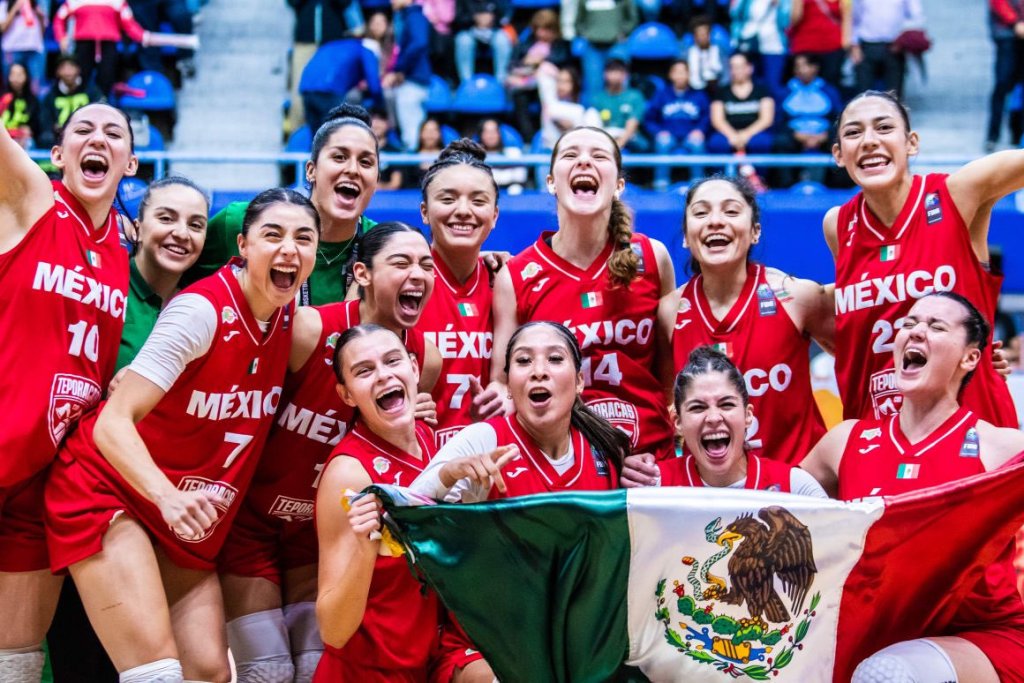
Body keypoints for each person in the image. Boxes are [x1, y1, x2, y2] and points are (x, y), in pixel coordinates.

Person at [43, 189, 318, 682]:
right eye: (272, 235)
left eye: (303, 238)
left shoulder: (292, 324)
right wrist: (166, 497)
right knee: (158, 673)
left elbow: (370, 332)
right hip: (110, 490)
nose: (288, 249)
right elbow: (113, 422)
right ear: (242, 245)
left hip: (181, 515)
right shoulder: (200, 312)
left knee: (209, 672)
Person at [218, 221, 440, 683]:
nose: (416, 273)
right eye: (401, 262)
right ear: (361, 273)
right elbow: (235, 394)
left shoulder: (425, 356)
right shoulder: (309, 328)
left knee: (315, 665)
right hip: (254, 523)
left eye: (425, 263)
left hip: (322, 534)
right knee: (267, 672)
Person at [801, 292, 1024, 682]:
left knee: (886, 674)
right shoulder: (846, 442)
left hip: (978, 638)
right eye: (909, 323)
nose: (916, 331)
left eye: (936, 327)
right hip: (874, 633)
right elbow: (764, 502)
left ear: (970, 358)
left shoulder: (998, 447)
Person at [46, 175, 210, 683]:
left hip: (158, 511)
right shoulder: (102, 289)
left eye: (196, 223)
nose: (181, 232)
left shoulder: (201, 309)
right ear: (135, 227)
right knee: (77, 656)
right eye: (166, 218)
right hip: (85, 499)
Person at [0, 101, 137, 683]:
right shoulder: (34, 201)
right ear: (57, 155)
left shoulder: (120, 255)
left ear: (129, 163)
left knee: (18, 661)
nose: (98, 139)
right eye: (82, 130)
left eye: (114, 133)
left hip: (44, 474)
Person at [824, 90, 1020, 427]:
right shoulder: (838, 225)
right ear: (839, 155)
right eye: (854, 132)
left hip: (971, 432)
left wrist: (980, 351)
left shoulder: (957, 195)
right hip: (877, 436)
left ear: (912, 143)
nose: (869, 141)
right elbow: (858, 334)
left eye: (884, 128)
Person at [492, 126, 677, 461]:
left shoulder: (652, 258)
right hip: (562, 464)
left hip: (652, 460)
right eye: (571, 155)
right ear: (551, 182)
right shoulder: (518, 275)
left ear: (619, 185)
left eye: (599, 156)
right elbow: (504, 386)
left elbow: (669, 379)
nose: (584, 162)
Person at [313, 323, 486, 681]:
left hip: (434, 658)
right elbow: (333, 631)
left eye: (392, 361)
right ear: (346, 395)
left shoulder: (433, 442)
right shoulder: (349, 475)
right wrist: (365, 548)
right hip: (370, 671)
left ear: (414, 368)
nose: (382, 375)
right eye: (364, 371)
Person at [659, 175, 831, 466]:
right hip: (712, 495)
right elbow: (664, 404)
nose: (715, 221)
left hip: (796, 491)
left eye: (731, 211)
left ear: (755, 232)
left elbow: (859, 361)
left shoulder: (796, 296)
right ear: (687, 237)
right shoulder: (669, 312)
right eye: (701, 212)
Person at [414, 320, 628, 502]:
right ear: (508, 384)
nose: (539, 372)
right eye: (524, 360)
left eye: (555, 359)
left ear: (579, 381)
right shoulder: (485, 439)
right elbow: (403, 512)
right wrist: (448, 475)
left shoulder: (604, 447)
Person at [189, 104, 379, 305]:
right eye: (339, 157)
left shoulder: (382, 249)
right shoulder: (241, 221)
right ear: (311, 170)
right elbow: (173, 284)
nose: (352, 169)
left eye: (366, 162)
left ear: (376, 179)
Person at [621, 346, 827, 496]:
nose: (713, 418)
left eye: (726, 404)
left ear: (748, 416)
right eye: (697, 407)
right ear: (677, 422)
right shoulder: (652, 490)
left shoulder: (797, 488)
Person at [416, 140, 504, 448]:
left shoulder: (509, 282)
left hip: (493, 463)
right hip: (416, 463)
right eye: (448, 199)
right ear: (425, 212)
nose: (463, 211)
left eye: (478, 202)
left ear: (494, 215)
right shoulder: (402, 281)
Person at [286, 0, 367, 134]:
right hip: (305, 40)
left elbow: (346, 3)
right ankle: (297, 139)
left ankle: (332, 137)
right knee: (299, 96)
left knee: (332, 93)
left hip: (332, 41)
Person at [52, 0, 149, 95]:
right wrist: (61, 37)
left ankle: (104, 105)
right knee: (80, 79)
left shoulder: (118, 1)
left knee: (106, 78)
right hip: (84, 44)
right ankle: (79, 108)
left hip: (108, 45)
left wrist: (144, 37)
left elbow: (129, 23)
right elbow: (59, 19)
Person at [643, 59, 710, 189]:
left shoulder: (699, 95)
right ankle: (661, 183)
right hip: (668, 136)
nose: (680, 75)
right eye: (676, 72)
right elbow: (649, 119)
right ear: (670, 75)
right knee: (663, 141)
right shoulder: (661, 95)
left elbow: (706, 117)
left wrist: (700, 130)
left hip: (691, 136)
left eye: (683, 72)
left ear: (689, 74)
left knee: (698, 142)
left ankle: (698, 185)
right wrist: (658, 131)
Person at [507, 8, 570, 141]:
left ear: (554, 29)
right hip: (527, 86)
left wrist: (541, 62)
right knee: (519, 96)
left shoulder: (561, 45)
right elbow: (512, 66)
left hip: (552, 87)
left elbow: (563, 66)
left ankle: (552, 137)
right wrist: (526, 62)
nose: (541, 33)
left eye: (546, 29)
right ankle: (529, 140)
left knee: (545, 77)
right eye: (538, 29)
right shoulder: (526, 43)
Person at [299, 38, 382, 133]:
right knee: (334, 131)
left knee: (316, 134)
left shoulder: (338, 45)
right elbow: (373, 81)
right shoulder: (367, 49)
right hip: (329, 87)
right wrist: (379, 104)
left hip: (306, 87)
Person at [849, 0, 925, 99]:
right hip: (867, 45)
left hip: (894, 47)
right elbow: (854, 19)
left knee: (894, 94)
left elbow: (916, 16)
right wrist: (854, 45)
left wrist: (902, 39)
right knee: (864, 94)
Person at [386, 0, 432, 152]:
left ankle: (412, 165)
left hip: (414, 79)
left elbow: (419, 43)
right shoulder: (406, 16)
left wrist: (401, 68)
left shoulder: (414, 16)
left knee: (411, 130)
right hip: (412, 78)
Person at [708, 52, 775, 155]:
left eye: (740, 66)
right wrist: (732, 135)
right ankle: (723, 172)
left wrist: (746, 134)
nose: (736, 71)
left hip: (755, 132)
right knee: (717, 143)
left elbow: (766, 119)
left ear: (750, 68)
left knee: (761, 143)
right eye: (733, 67)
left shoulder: (762, 91)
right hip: (728, 133)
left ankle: (759, 171)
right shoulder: (721, 92)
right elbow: (717, 120)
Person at [572, 0, 637, 99]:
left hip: (616, 44)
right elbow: (579, 22)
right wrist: (586, 34)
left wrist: (624, 32)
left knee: (619, 83)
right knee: (593, 85)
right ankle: (594, 111)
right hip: (592, 47)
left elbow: (632, 18)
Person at [728, 0, 791, 99]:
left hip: (774, 46)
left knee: (772, 86)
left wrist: (780, 5)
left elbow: (787, 22)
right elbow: (734, 13)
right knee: (749, 85)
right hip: (749, 45)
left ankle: (775, 114)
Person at [38, 55, 104, 148]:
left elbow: (101, 112)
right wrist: (53, 127)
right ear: (57, 72)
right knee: (46, 137)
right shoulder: (51, 95)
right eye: (63, 68)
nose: (67, 72)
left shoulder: (92, 91)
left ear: (78, 69)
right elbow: (45, 118)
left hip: (87, 133)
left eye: (71, 67)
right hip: (59, 136)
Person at [535, 62, 600, 151]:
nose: (561, 86)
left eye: (566, 82)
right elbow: (543, 68)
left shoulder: (585, 111)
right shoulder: (551, 105)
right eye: (559, 81)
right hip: (551, 153)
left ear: (575, 84)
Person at [986, 0, 1024, 151]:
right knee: (1002, 84)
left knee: (1021, 85)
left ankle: (1017, 133)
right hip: (1006, 34)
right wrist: (1015, 23)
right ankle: (993, 135)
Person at [788, 0, 851, 90]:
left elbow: (846, 17)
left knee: (830, 86)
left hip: (833, 47)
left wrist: (846, 44)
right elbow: (795, 18)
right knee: (803, 84)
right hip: (806, 48)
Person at [590, 58, 648, 153]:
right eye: (611, 71)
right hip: (606, 136)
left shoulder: (635, 96)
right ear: (605, 74)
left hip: (630, 138)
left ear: (626, 75)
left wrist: (617, 146)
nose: (615, 75)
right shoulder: (598, 98)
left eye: (619, 71)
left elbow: (633, 124)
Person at [453, 0, 511, 84]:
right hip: (470, 29)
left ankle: (501, 82)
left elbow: (505, 15)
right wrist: (474, 19)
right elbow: (458, 18)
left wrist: (492, 19)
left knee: (502, 41)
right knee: (463, 41)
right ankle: (466, 82)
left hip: (493, 30)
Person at [0, 0, 46, 91]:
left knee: (35, 85)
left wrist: (40, 17)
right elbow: (2, 28)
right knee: (10, 84)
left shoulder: (35, 5)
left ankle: (34, 105)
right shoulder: (4, 5)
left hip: (34, 49)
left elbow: (43, 31)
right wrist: (15, 8)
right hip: (12, 49)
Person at [477, 119, 528, 193]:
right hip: (484, 192)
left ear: (500, 134)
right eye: (487, 132)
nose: (491, 136)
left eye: (494, 131)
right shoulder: (475, 156)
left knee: (516, 189)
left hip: (511, 192)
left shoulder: (513, 153)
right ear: (481, 135)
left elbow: (520, 177)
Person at [1, 62, 40, 147]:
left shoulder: (33, 101)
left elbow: (35, 126)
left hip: (23, 139)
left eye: (19, 74)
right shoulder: (2, 97)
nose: (16, 78)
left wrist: (28, 131)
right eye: (13, 74)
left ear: (26, 76)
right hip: (3, 137)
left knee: (29, 143)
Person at [686, 15, 726, 94]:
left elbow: (726, 75)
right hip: (693, 91)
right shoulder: (687, 53)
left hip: (716, 88)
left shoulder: (719, 51)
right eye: (700, 35)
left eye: (705, 34)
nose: (703, 37)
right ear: (694, 36)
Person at [371, 107, 405, 190]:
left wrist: (375, 187)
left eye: (381, 120)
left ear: (388, 124)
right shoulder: (361, 149)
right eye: (373, 119)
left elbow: (395, 184)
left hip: (387, 198)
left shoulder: (395, 151)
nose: (377, 124)